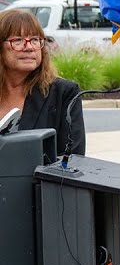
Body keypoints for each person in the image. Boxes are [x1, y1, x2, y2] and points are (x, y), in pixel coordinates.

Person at [0, 9, 85, 156]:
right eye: (18, 40)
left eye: (35, 39)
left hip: (39, 179)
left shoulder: (64, 93)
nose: (29, 47)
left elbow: (72, 160)